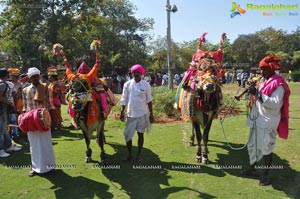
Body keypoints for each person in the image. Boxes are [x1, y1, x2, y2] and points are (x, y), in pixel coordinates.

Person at [241, 55, 290, 186]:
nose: (261, 72)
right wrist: (252, 90)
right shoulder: (263, 80)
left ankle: (266, 175)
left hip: (268, 120)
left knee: (266, 148)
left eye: (264, 69)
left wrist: (257, 93)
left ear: (271, 69)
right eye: (260, 69)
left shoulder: (279, 83)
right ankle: (252, 168)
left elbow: (274, 103)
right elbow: (258, 96)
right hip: (257, 118)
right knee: (252, 145)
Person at [22, 67, 56, 176]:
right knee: (33, 144)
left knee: (46, 143)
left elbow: (50, 105)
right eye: (33, 77)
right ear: (30, 78)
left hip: (44, 120)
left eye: (37, 76)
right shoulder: (25, 90)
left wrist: (53, 121)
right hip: (31, 121)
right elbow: (24, 107)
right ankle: (35, 168)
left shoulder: (46, 88)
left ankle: (50, 167)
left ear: (39, 76)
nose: (35, 78)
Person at [120, 64, 154, 162]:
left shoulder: (146, 85)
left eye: (138, 72)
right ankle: (130, 154)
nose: (136, 74)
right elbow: (124, 99)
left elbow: (149, 100)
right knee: (128, 136)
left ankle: (139, 155)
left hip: (142, 114)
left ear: (141, 73)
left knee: (140, 135)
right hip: (130, 114)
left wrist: (151, 114)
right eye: (134, 72)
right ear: (132, 73)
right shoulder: (127, 84)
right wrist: (122, 112)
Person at [0, 68, 22, 158]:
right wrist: (10, 103)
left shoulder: (4, 83)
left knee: (4, 128)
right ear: (6, 75)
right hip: (1, 110)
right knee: (1, 130)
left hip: (3, 109)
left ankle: (8, 146)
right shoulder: (2, 84)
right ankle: (1, 149)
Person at [47, 66, 63, 132]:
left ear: (53, 77)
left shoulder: (56, 84)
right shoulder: (50, 84)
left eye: (50, 77)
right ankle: (53, 126)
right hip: (50, 101)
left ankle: (59, 127)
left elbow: (58, 93)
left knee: (57, 114)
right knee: (52, 115)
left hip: (55, 101)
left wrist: (51, 91)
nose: (49, 78)